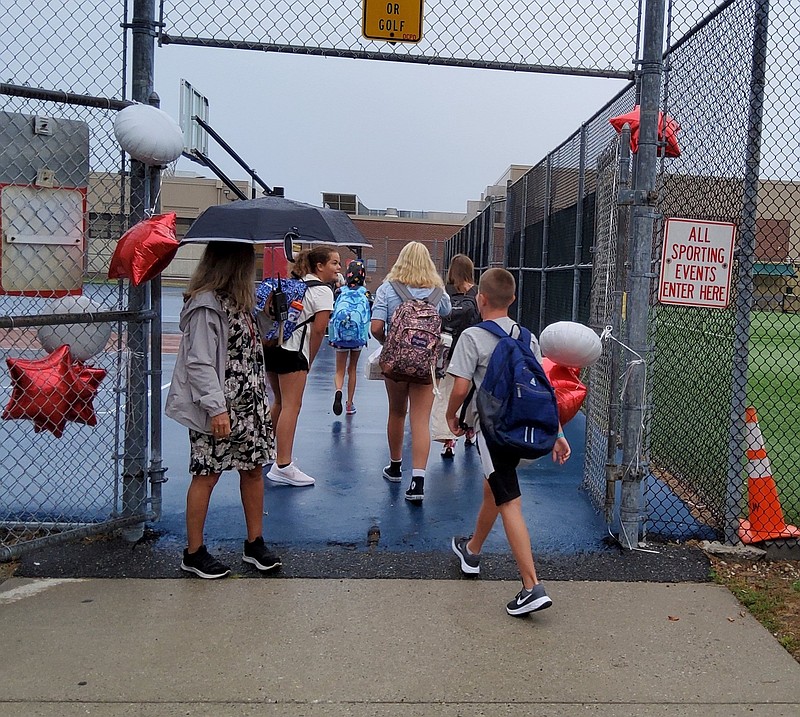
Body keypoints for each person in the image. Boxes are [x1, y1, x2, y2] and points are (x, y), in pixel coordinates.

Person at [445, 268, 571, 615]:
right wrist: (557, 433)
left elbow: (459, 388)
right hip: (521, 428)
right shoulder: (527, 338)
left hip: (492, 431)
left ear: (480, 299)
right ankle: (471, 551)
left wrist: (451, 416)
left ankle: (532, 586)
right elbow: (541, 390)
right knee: (495, 490)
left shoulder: (472, 336)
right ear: (513, 299)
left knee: (509, 500)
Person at [165, 241, 279, 579]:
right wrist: (217, 409)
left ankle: (255, 542)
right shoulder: (206, 306)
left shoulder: (239, 303)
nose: (253, 271)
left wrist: (267, 315)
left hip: (250, 404)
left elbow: (246, 343)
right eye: (249, 264)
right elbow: (199, 362)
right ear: (233, 266)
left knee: (254, 469)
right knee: (207, 474)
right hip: (219, 408)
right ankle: (194, 551)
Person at [370, 241, 451, 502]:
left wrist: (390, 345)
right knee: (420, 419)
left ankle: (395, 467)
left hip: (395, 364)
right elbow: (447, 313)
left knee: (396, 412)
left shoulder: (387, 290)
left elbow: (375, 327)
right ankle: (418, 481)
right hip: (426, 365)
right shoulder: (438, 292)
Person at [263, 245, 340, 487]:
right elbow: (319, 330)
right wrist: (309, 360)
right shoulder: (324, 292)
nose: (339, 268)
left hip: (273, 347)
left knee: (279, 401)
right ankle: (283, 465)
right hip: (294, 352)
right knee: (292, 406)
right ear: (320, 266)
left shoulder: (294, 284)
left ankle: (266, 450)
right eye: (335, 263)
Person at [432, 254, 481, 458]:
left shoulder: (444, 292)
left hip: (448, 348)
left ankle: (448, 440)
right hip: (471, 349)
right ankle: (469, 431)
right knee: (471, 392)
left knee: (446, 392)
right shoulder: (477, 292)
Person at [330, 259, 372, 416]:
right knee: (352, 369)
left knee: (339, 370)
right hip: (357, 337)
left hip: (340, 336)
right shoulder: (366, 294)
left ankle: (338, 390)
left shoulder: (340, 292)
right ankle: (349, 403)